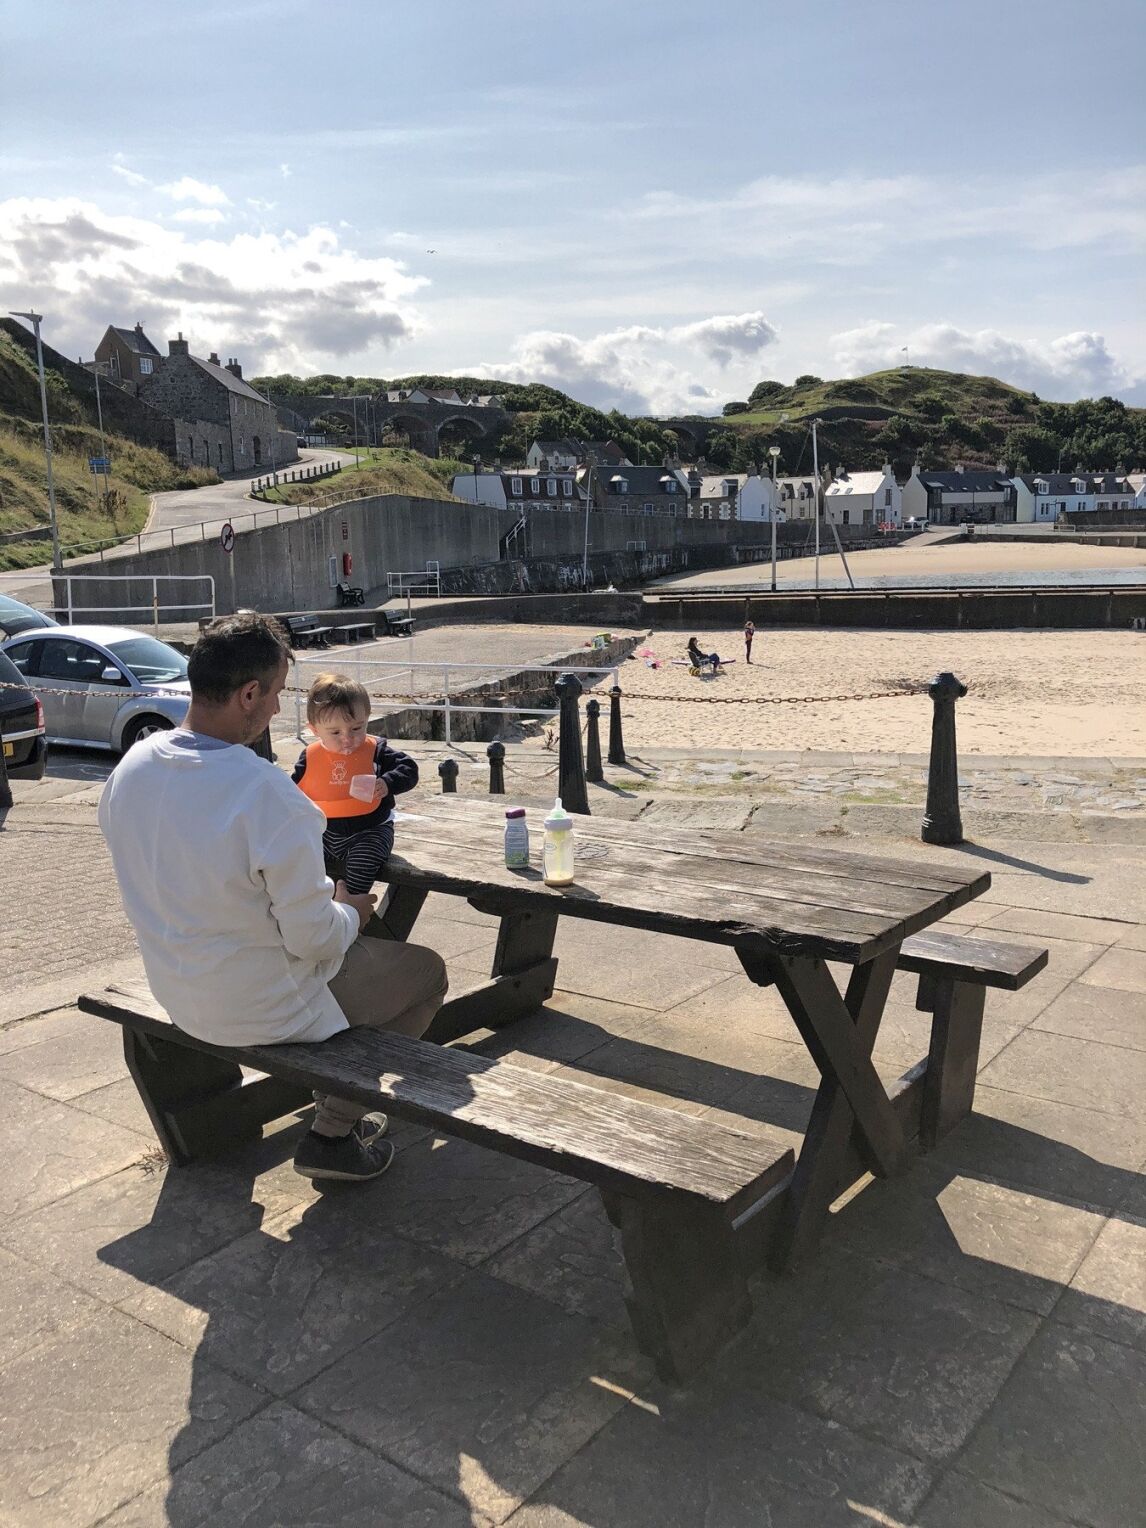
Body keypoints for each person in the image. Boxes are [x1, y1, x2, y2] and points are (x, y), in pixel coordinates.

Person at [98, 612, 447, 1184]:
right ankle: (333, 1132)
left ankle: (330, 1106)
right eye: (278, 693)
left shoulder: (132, 768)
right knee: (426, 974)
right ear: (249, 694)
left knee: (362, 965)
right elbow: (315, 939)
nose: (279, 707)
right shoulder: (267, 793)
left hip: (178, 992)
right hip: (264, 1006)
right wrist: (352, 912)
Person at [293, 673, 416, 894]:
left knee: (363, 860)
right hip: (324, 832)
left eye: (357, 728)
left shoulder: (377, 751)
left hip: (371, 831)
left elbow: (409, 769)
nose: (347, 738)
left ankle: (353, 901)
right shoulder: (310, 757)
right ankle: (319, 905)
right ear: (314, 730)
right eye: (335, 732)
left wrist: (387, 783)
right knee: (297, 856)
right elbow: (290, 791)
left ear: (367, 719)